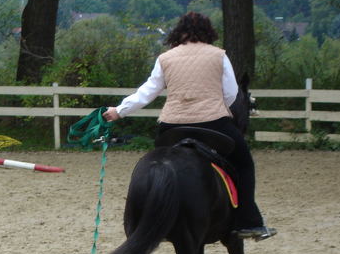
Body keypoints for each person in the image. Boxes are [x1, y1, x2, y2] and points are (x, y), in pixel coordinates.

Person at [103, 12, 275, 241]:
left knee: (157, 165)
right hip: (214, 125)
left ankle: (152, 218)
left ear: (179, 32)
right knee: (244, 164)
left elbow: (148, 92)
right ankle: (248, 221)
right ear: (208, 32)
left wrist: (119, 111)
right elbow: (232, 94)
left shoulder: (166, 58)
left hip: (172, 127)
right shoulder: (219, 56)